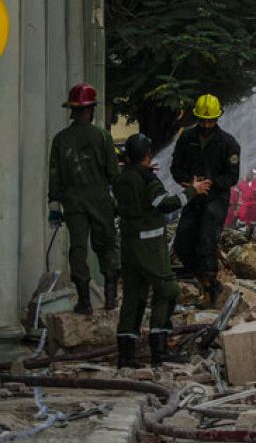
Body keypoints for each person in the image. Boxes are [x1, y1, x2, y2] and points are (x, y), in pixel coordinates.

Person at [114, 133, 209, 368]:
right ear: (147, 154)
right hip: (149, 247)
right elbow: (164, 204)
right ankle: (160, 350)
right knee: (167, 290)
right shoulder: (148, 180)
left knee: (133, 296)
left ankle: (125, 356)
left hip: (128, 246)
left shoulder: (122, 178)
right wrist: (192, 191)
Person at [47, 82, 121, 315]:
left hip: (73, 203)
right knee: (107, 246)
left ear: (72, 109)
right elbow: (113, 174)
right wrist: (117, 202)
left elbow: (54, 175)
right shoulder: (103, 137)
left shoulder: (60, 139)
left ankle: (85, 302)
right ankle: (110, 298)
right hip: (100, 201)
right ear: (91, 109)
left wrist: (54, 205)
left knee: (78, 249)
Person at [170, 93, 241, 308]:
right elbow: (175, 167)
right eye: (203, 120)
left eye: (211, 121)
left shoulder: (228, 143)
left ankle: (210, 291)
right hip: (193, 198)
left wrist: (212, 183)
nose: (207, 125)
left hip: (216, 199)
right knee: (182, 244)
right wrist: (187, 183)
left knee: (207, 243)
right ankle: (205, 280)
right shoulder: (186, 138)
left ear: (218, 118)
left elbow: (232, 176)